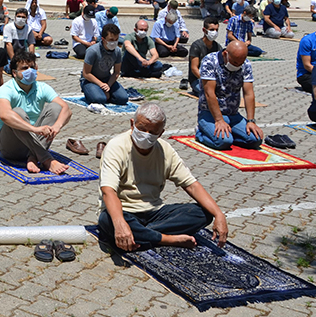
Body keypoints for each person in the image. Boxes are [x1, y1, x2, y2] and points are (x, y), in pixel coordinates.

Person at [97, 102, 228, 252]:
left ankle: (141, 235)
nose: (146, 135)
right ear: (132, 124)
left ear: (160, 133)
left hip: (154, 212)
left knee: (203, 213)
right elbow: (109, 191)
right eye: (141, 129)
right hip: (124, 211)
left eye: (152, 132)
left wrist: (219, 214)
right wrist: (120, 222)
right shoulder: (116, 147)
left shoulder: (165, 150)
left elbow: (191, 185)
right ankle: (167, 239)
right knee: (107, 220)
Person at [0, 50, 72, 174]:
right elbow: (4, 115)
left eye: (32, 67)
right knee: (17, 113)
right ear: (14, 73)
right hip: (11, 146)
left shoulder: (42, 87)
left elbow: (66, 109)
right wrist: (34, 129)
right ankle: (46, 159)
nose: (29, 71)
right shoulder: (6, 89)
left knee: (55, 108)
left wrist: (57, 126)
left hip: (35, 141)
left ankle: (33, 156)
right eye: (25, 68)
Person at [196, 41, 263, 150]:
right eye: (235, 62)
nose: (238, 66)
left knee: (255, 139)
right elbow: (210, 94)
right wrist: (219, 120)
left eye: (240, 63)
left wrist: (251, 121)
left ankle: (232, 134)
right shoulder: (210, 61)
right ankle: (200, 133)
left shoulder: (245, 64)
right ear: (225, 54)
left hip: (233, 114)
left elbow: (249, 93)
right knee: (223, 142)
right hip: (210, 114)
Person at [81, 24, 129, 105]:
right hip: (90, 81)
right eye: (111, 39)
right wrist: (101, 85)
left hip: (107, 79)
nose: (114, 42)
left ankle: (107, 94)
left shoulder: (117, 51)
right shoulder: (92, 51)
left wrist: (108, 85)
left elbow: (116, 72)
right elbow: (86, 73)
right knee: (99, 99)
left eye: (116, 39)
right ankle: (92, 92)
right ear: (103, 39)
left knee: (123, 98)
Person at [187, 18, 221, 95]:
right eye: (212, 30)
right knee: (209, 93)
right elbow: (194, 68)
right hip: (198, 79)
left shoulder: (217, 47)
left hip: (213, 79)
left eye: (216, 30)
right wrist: (206, 80)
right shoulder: (196, 46)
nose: (214, 32)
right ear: (204, 30)